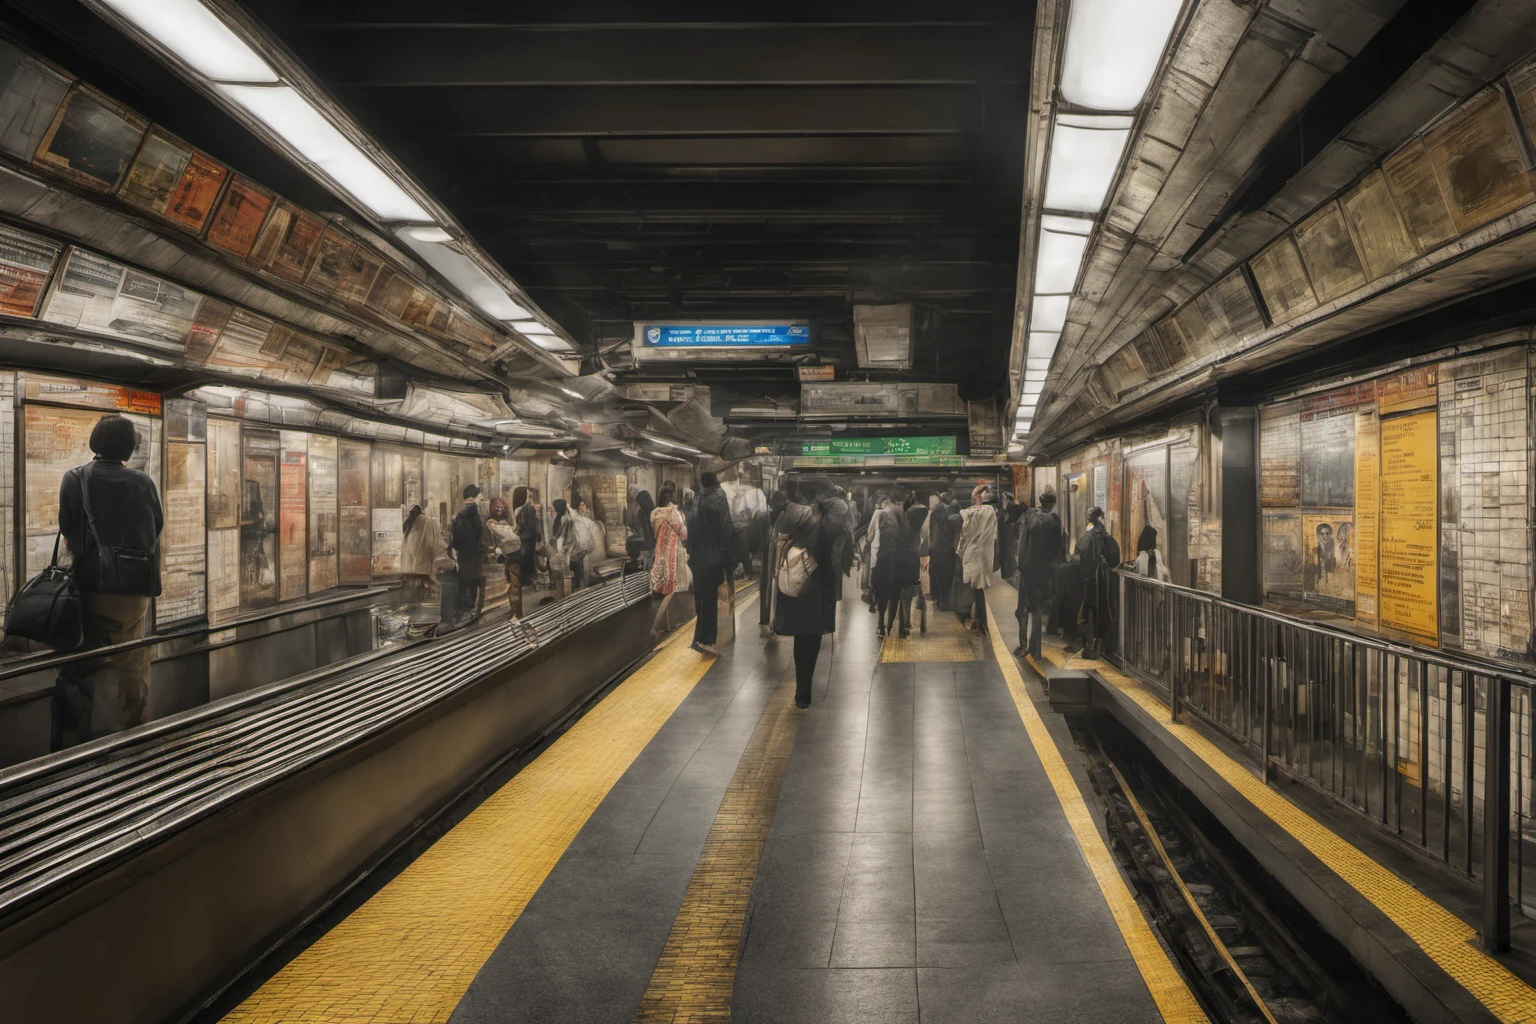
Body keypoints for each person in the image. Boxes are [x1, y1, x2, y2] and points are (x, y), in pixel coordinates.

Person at [51, 415, 163, 748]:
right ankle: (133, 739)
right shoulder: (143, 483)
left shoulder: (74, 479)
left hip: (86, 589)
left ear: (95, 442)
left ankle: (73, 744)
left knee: (77, 667)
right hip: (129, 593)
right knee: (133, 666)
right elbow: (154, 530)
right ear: (129, 447)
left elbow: (68, 532)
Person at [771, 476, 852, 709]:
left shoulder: (790, 514)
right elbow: (839, 525)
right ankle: (804, 687)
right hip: (817, 582)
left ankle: (801, 687)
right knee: (812, 635)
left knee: (801, 637)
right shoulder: (830, 512)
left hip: (795, 579)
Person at [689, 471, 734, 655]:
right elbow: (727, 527)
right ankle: (708, 638)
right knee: (714, 598)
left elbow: (693, 529)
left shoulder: (700, 501)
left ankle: (704, 638)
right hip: (719, 557)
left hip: (702, 558)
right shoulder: (721, 497)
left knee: (704, 599)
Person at [1014, 492, 1063, 658]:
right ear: (1053, 503)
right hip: (1044, 570)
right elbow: (1058, 546)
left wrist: (1020, 565)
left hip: (1027, 568)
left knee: (1022, 608)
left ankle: (1023, 645)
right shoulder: (1055, 520)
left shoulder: (1030, 516)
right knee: (1037, 609)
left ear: (1040, 502)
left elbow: (1022, 542)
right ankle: (1036, 650)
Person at [873, 485, 920, 638]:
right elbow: (906, 534)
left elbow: (879, 538)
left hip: (883, 558)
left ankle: (880, 625)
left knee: (882, 594)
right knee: (894, 595)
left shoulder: (882, 513)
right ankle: (889, 626)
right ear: (904, 499)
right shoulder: (901, 513)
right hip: (897, 560)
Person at [954, 482, 999, 634]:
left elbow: (965, 527)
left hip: (973, 553)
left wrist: (959, 551)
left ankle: (978, 621)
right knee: (978, 588)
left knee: (973, 587)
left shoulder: (978, 512)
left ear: (979, 497)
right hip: (984, 554)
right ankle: (980, 622)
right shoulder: (991, 512)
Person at [1071, 506, 1113, 658]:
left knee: (1086, 613)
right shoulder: (1104, 533)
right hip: (1102, 577)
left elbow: (1079, 554)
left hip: (1090, 577)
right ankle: (1099, 646)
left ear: (1089, 517)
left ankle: (1087, 646)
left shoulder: (1089, 535)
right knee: (1099, 613)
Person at [649, 491, 690, 636]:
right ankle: (654, 627)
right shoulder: (674, 514)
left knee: (667, 588)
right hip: (672, 556)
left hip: (661, 555)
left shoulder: (658, 516)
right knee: (671, 590)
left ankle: (667, 625)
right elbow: (684, 534)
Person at [400, 503, 447, 601]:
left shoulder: (409, 525)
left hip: (411, 566)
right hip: (425, 563)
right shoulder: (430, 522)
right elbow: (435, 542)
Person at [450, 484, 485, 617]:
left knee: (464, 582)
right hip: (471, 553)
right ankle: (467, 612)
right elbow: (478, 531)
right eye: (479, 495)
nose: (481, 497)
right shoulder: (472, 510)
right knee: (472, 582)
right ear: (472, 498)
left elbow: (456, 535)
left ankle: (462, 611)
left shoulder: (462, 513)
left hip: (464, 553)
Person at [759, 490, 789, 637]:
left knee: (767, 588)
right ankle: (774, 621)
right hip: (777, 557)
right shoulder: (783, 517)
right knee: (775, 590)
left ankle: (767, 620)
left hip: (769, 556)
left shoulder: (766, 517)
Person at [928, 489, 957, 611]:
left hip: (936, 549)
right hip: (944, 549)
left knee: (938, 576)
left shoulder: (936, 511)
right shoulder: (943, 510)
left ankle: (941, 599)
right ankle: (944, 601)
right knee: (944, 577)